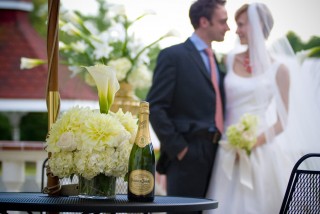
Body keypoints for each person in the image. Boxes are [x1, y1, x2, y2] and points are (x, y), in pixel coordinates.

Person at [204, 3, 320, 214]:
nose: (236, 30)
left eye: (240, 25)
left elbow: (282, 121)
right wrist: (235, 143)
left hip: (260, 151)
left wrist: (251, 143)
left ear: (257, 26)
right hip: (227, 148)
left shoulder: (280, 69)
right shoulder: (229, 60)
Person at [146, 0, 230, 204]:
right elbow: (155, 106)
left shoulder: (217, 60)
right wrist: (180, 149)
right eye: (222, 22)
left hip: (218, 153)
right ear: (204, 22)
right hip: (188, 152)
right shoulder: (173, 56)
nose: (228, 27)